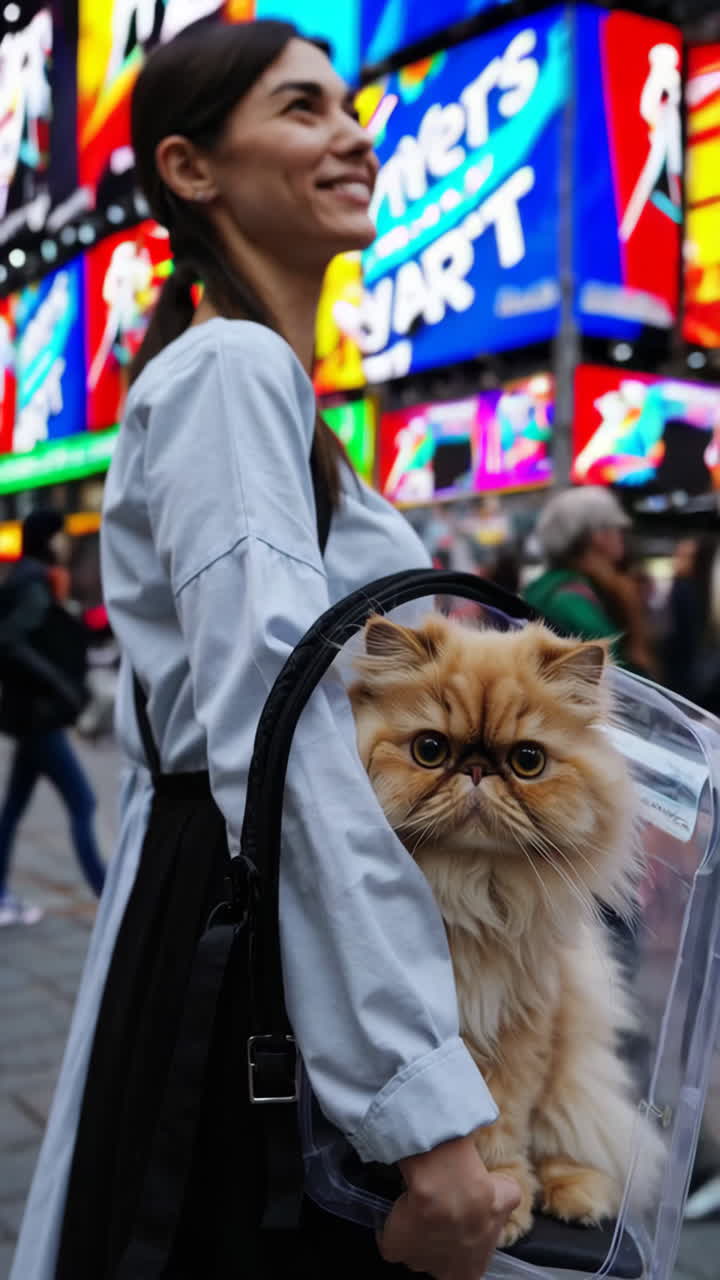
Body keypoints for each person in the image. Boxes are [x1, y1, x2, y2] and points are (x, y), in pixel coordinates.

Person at [11, 21, 519, 1280]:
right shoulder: (231, 368)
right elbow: (277, 725)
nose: (353, 135)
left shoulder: (266, 382)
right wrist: (420, 1102)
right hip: (251, 948)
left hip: (247, 921)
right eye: (302, 109)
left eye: (348, 107)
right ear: (192, 168)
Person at [0, 510, 105, 926]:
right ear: (47, 538)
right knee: (83, 801)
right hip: (40, 716)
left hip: (33, 715)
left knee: (13, 809)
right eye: (60, 536)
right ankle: (107, 891)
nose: (65, 543)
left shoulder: (31, 577)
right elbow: (10, 640)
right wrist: (60, 685)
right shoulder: (34, 583)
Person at [524, 486, 657, 677]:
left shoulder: (548, 588)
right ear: (598, 536)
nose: (621, 536)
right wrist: (633, 612)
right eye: (616, 528)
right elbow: (625, 681)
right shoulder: (571, 602)